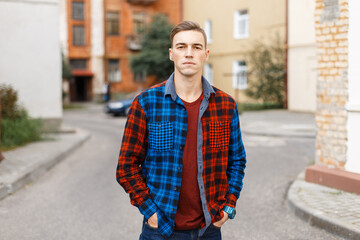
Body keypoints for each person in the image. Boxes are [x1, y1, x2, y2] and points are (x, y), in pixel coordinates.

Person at [116, 21, 246, 240]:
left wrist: (228, 206)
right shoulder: (146, 103)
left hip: (209, 230)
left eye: (196, 47)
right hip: (160, 230)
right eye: (181, 47)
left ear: (206, 54)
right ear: (171, 54)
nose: (189, 53)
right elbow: (126, 166)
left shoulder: (226, 105)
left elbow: (237, 161)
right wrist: (151, 211)